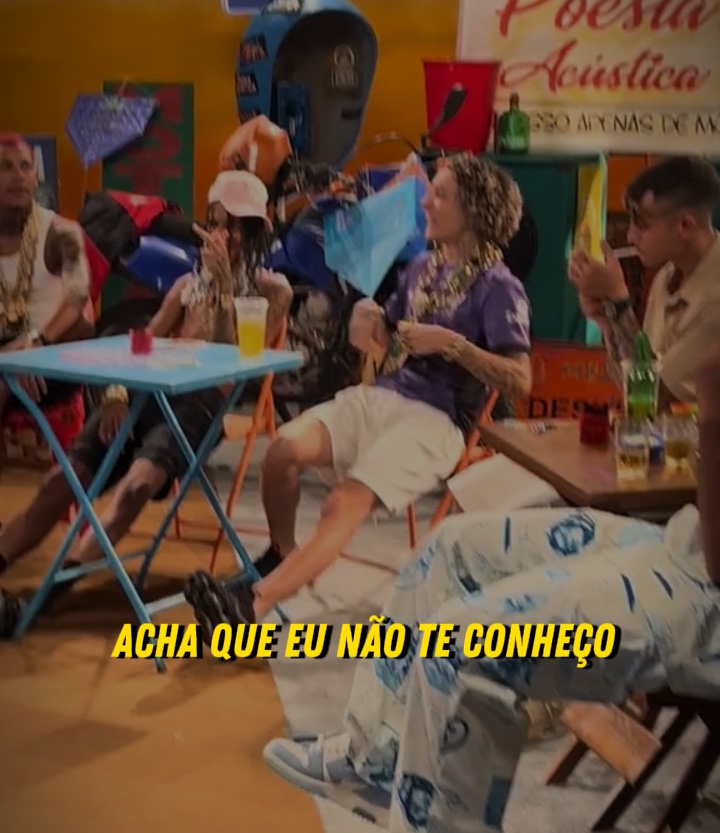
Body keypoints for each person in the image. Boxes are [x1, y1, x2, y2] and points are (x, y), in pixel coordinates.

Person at [260, 341, 720, 833]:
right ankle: (378, 761)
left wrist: (713, 415)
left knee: (460, 642)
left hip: (710, 589)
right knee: (452, 550)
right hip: (684, 542)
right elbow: (655, 393)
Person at [184, 153, 533, 631]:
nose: (425, 202)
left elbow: (521, 380)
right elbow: (387, 335)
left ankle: (252, 603)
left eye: (440, 195)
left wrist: (454, 346)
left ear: (473, 211)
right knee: (280, 452)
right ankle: (283, 559)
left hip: (438, 421)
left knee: (342, 503)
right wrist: (367, 320)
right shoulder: (422, 269)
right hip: (383, 396)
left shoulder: (500, 287)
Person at [0, 170, 292, 634]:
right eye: (216, 224)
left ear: (255, 232)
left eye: (236, 226)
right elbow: (143, 342)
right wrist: (117, 392)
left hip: (199, 408)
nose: (223, 236)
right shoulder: (185, 287)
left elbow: (232, 363)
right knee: (63, 479)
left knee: (136, 484)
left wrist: (221, 290)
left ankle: (42, 600)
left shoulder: (272, 291)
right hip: (145, 395)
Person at [569, 155, 720, 407]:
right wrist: (607, 319)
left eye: (643, 225)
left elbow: (654, 396)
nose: (630, 236)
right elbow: (632, 386)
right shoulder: (666, 276)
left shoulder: (714, 297)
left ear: (685, 225)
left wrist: (618, 303)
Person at [0, 133, 94, 417]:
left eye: (25, 166)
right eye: (5, 166)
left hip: (49, 349)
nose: (18, 176)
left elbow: (77, 298)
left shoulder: (62, 232)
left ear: (35, 177)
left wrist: (35, 344)